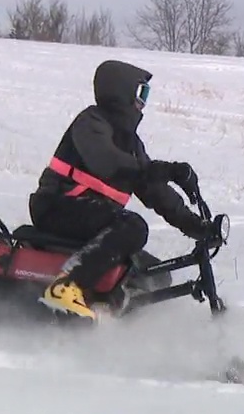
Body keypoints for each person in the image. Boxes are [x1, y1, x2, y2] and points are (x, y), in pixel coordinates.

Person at [29, 59, 215, 320]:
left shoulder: (132, 143)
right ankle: (66, 286)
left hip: (92, 217)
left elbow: (155, 192)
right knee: (133, 227)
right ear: (121, 92)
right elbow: (109, 162)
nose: (143, 103)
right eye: (141, 93)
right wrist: (169, 170)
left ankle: (115, 316)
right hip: (57, 207)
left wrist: (198, 226)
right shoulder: (91, 122)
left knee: (157, 273)